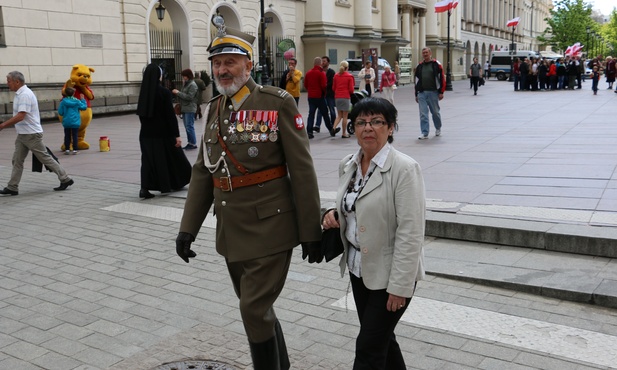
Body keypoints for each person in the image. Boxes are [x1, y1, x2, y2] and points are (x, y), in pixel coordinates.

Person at [174, 25, 322, 370]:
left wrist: (311, 231)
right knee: (258, 311)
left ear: (248, 65)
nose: (223, 70)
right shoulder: (213, 109)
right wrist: (187, 229)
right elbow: (203, 173)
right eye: (217, 64)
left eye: (230, 62)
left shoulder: (276, 103)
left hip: (271, 226)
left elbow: (302, 171)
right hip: (231, 229)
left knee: (252, 309)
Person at [321, 97, 426, 370]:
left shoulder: (404, 169)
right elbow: (350, 206)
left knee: (368, 349)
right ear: (353, 128)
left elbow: (411, 232)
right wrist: (331, 215)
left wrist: (400, 287)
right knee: (383, 341)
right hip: (360, 270)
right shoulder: (349, 164)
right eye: (361, 122)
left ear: (390, 128)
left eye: (377, 121)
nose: (368, 128)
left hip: (391, 276)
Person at [0, 71, 74, 195]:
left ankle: (65, 178)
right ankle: (12, 187)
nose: (7, 84)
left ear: (17, 82)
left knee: (45, 158)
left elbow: (21, 116)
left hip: (31, 134)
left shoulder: (25, 94)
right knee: (17, 160)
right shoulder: (20, 93)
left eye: (9, 81)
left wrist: (2, 125)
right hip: (23, 134)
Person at [136, 63, 192, 199]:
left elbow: (141, 114)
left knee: (148, 161)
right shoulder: (164, 92)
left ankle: (144, 188)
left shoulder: (143, 93)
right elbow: (170, 116)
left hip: (145, 134)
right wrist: (177, 135)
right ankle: (169, 184)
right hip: (163, 133)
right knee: (172, 158)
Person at [414, 47, 445, 140]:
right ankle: (424, 132)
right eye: (423, 53)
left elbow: (442, 78)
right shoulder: (419, 66)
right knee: (423, 114)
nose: (425, 54)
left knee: (435, 112)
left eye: (427, 52)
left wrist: (441, 92)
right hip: (422, 93)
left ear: (430, 53)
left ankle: (438, 128)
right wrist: (416, 94)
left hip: (433, 92)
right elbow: (416, 81)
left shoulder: (436, 64)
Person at [304, 56, 334, 138]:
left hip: (311, 96)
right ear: (320, 63)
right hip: (319, 96)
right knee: (325, 114)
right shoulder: (321, 73)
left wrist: (310, 90)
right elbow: (324, 85)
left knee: (311, 114)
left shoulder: (308, 73)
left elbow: (305, 84)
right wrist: (324, 93)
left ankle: (309, 131)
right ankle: (331, 129)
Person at [172, 68, 198, 150]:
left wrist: (178, 93)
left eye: (184, 76)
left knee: (189, 126)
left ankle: (193, 143)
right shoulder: (186, 84)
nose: (183, 78)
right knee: (187, 127)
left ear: (188, 76)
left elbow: (189, 97)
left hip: (190, 108)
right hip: (185, 107)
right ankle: (190, 142)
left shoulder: (192, 85)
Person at [57, 86, 87, 155]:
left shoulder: (63, 102)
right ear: (73, 94)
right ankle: (75, 150)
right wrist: (83, 99)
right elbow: (84, 107)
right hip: (75, 121)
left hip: (67, 121)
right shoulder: (77, 101)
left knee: (67, 135)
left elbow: (60, 112)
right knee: (75, 135)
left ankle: (67, 149)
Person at [331, 60, 354, 138]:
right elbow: (351, 89)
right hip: (345, 97)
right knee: (345, 116)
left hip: (337, 97)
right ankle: (344, 133)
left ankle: (333, 128)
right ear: (347, 67)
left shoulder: (336, 76)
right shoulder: (349, 76)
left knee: (339, 115)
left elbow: (333, 88)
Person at [315, 56, 337, 133]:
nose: (323, 62)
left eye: (324, 61)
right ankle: (317, 126)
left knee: (332, 110)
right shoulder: (319, 71)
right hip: (322, 94)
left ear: (328, 62)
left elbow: (332, 82)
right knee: (320, 111)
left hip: (330, 94)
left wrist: (324, 85)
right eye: (322, 61)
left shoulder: (331, 72)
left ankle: (333, 125)